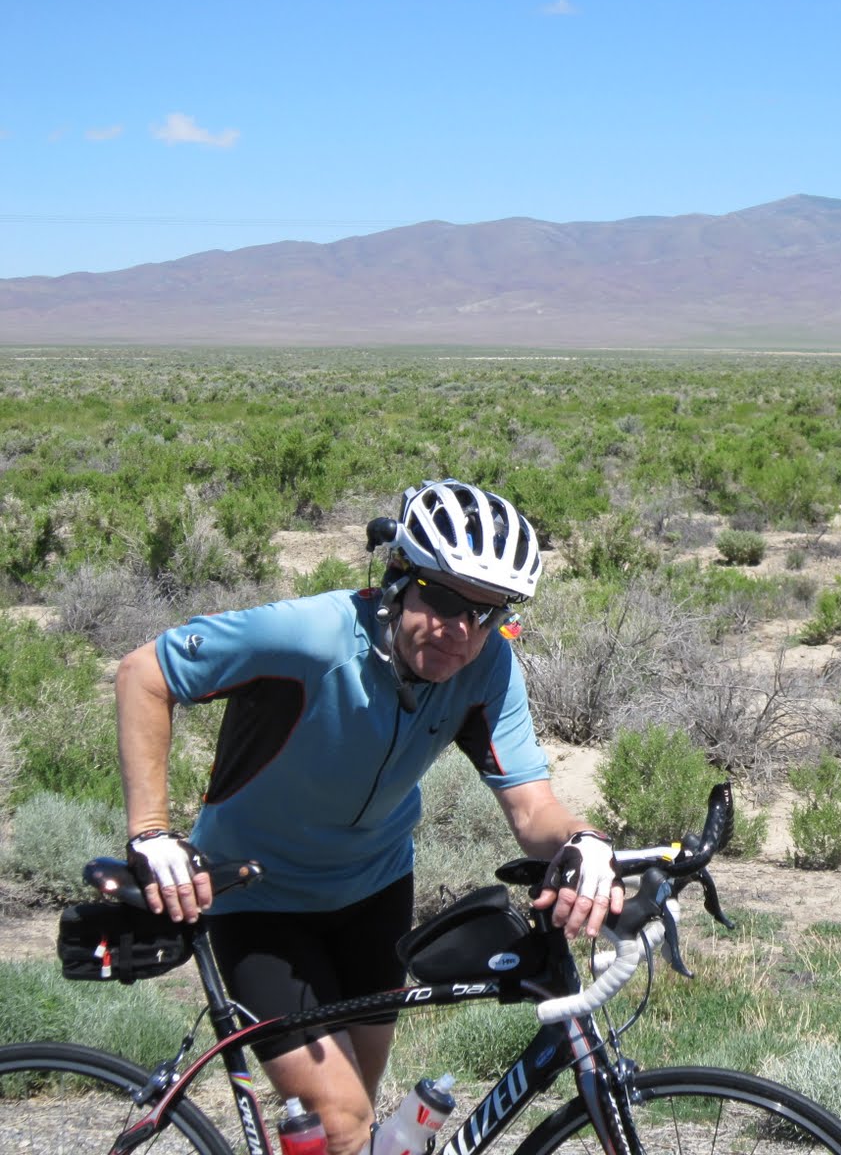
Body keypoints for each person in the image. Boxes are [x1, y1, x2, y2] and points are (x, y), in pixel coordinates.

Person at [116, 478, 621, 1155]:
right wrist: (151, 832)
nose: (458, 632)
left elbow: (533, 807)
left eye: (487, 613)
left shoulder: (487, 666)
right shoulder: (310, 637)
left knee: (359, 1119)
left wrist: (588, 844)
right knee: (344, 1117)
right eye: (442, 598)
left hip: (374, 894)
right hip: (259, 899)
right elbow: (144, 674)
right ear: (398, 579)